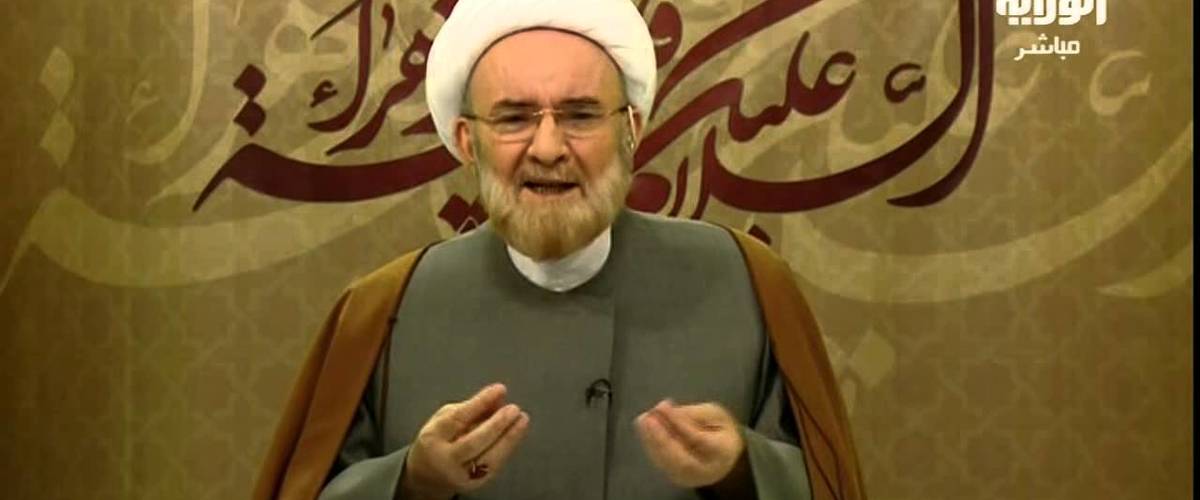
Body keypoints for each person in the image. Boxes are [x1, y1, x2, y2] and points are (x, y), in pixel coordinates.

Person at [253, 1, 864, 499]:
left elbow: (825, 484)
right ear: (467, 141)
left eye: (579, 115)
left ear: (631, 130)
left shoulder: (747, 283)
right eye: (513, 118)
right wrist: (413, 480)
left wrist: (742, 469)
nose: (547, 148)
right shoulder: (385, 308)